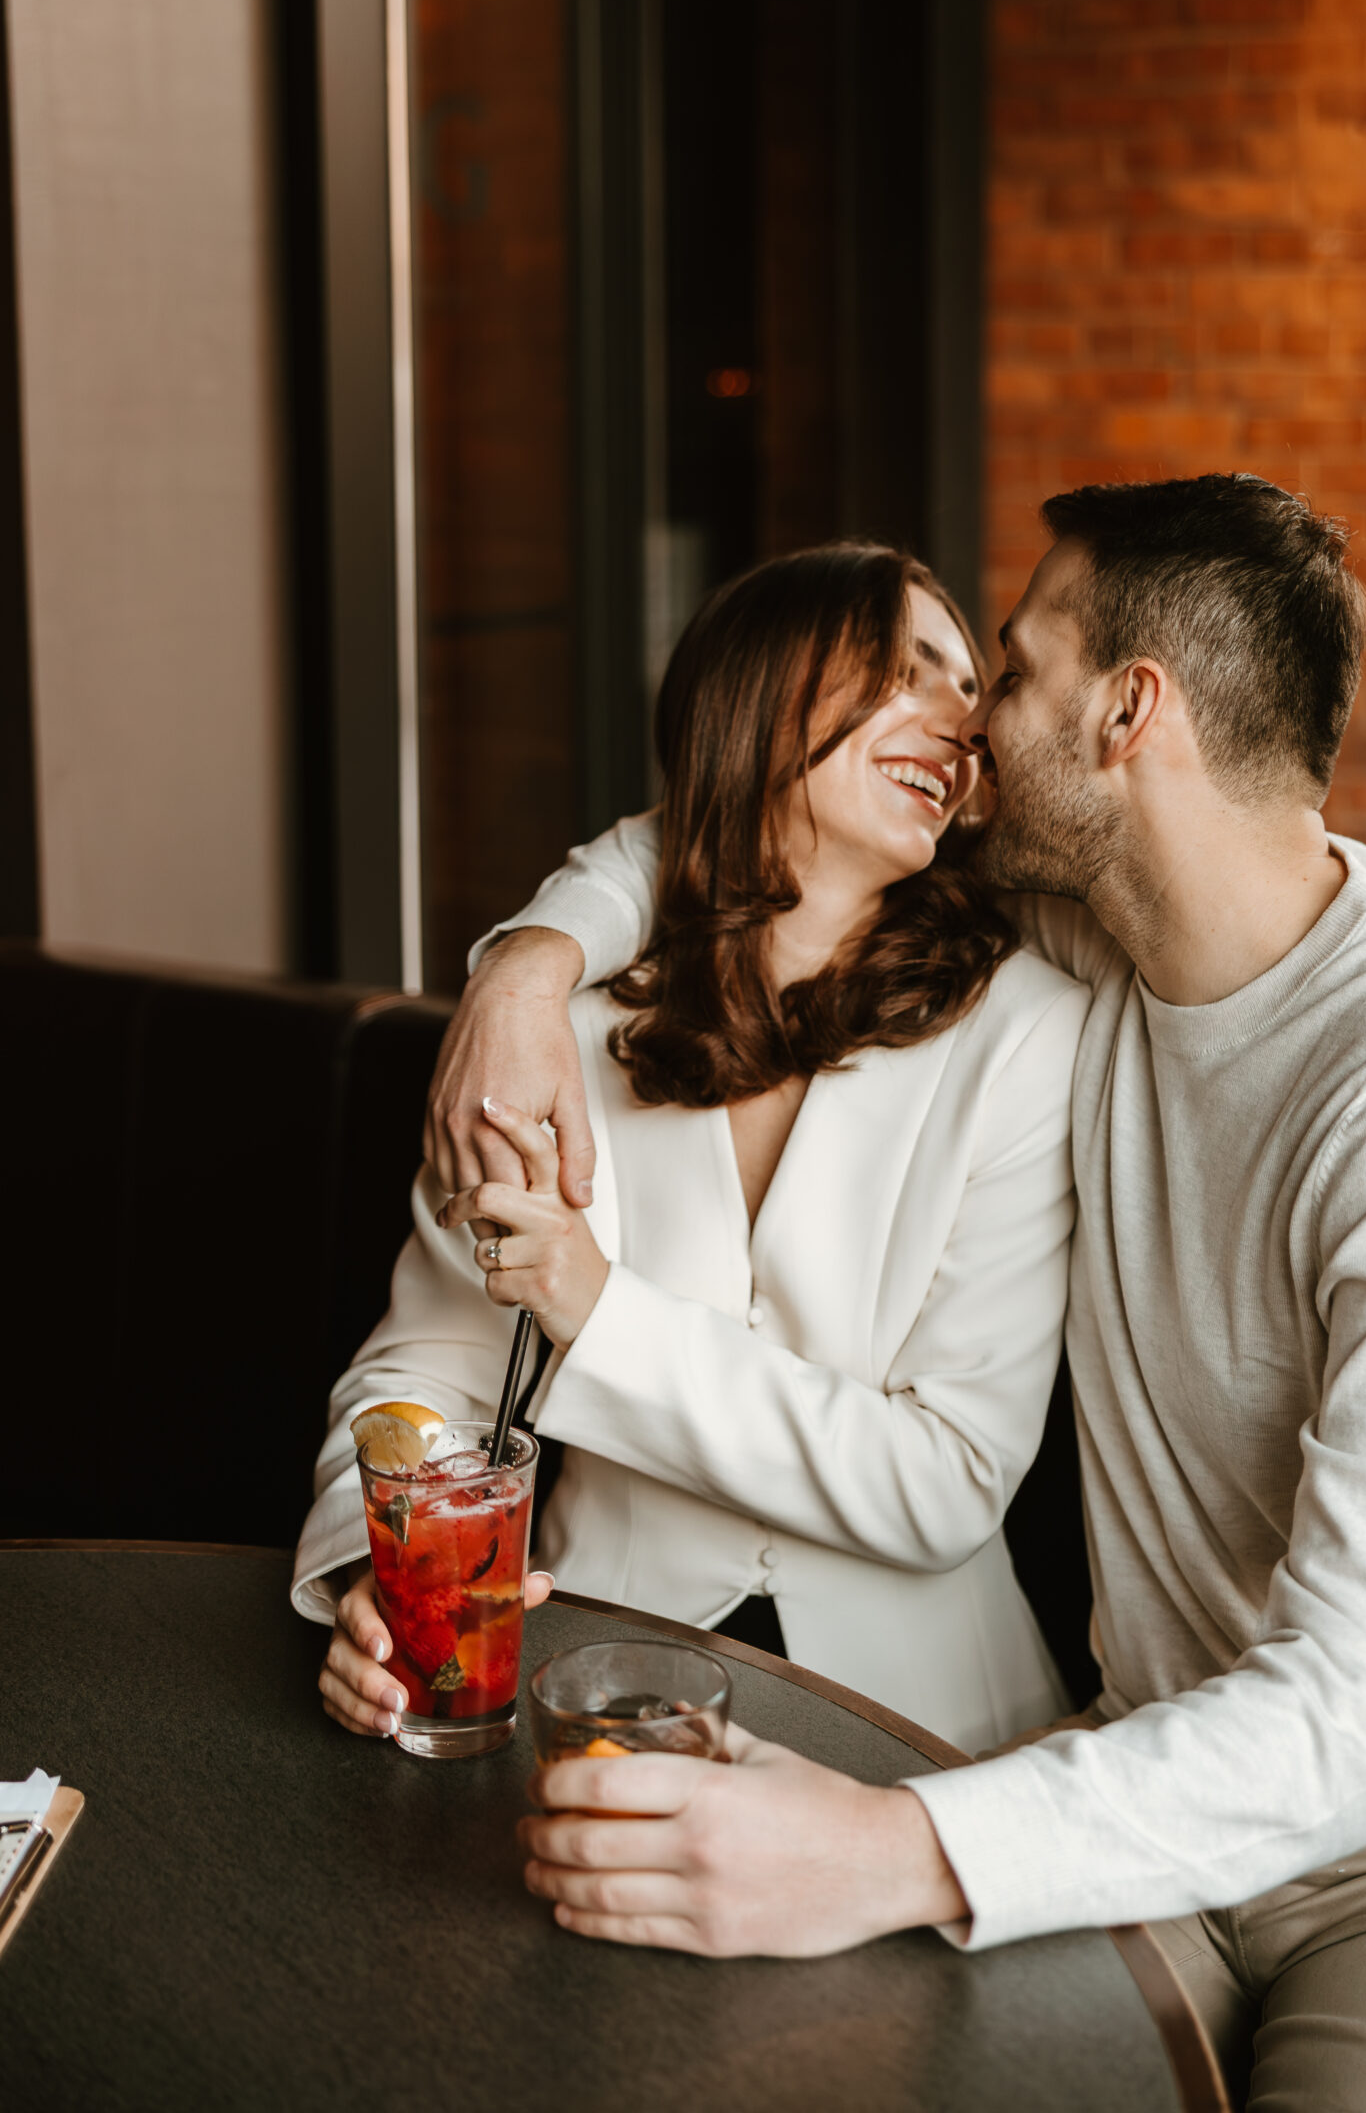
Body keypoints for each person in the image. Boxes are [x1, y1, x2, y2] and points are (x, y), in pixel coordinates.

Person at [430, 476, 1366, 2113]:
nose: (966, 726)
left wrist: (892, 1847)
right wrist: (526, 961)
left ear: (1126, 712)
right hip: (1138, 1788)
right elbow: (739, 830)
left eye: (1006, 672)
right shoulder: (1094, 939)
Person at [294, 541, 1088, 1756]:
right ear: (765, 693)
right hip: (586, 1674)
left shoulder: (1026, 1031)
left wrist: (598, 1312)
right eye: (906, 669)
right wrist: (390, 1569)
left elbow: (948, 1482)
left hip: (923, 1735)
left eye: (973, 690)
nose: (961, 722)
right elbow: (424, 1374)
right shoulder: (562, 1031)